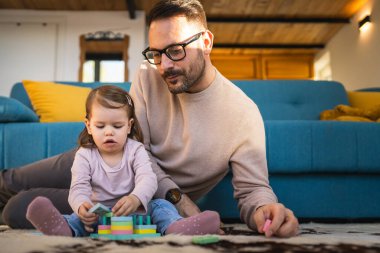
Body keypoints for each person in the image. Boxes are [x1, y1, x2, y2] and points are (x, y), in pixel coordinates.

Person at [0, 0, 298, 237]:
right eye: (156, 53)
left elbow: (252, 190)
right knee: (10, 180)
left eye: (175, 50)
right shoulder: (148, 73)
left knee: (17, 209)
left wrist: (265, 211)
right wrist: (178, 198)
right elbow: (134, 146)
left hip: (135, 198)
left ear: (206, 42)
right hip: (99, 157)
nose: (164, 65)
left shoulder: (243, 114)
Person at [25, 85, 220, 236]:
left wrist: (135, 198)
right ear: (89, 126)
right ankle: (64, 228)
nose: (109, 132)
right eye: (100, 126)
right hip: (100, 217)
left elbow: (148, 179)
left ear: (129, 126)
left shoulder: (135, 150)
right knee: (78, 217)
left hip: (138, 212)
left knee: (162, 206)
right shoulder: (85, 154)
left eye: (117, 126)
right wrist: (81, 205)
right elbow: (78, 187)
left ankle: (176, 227)